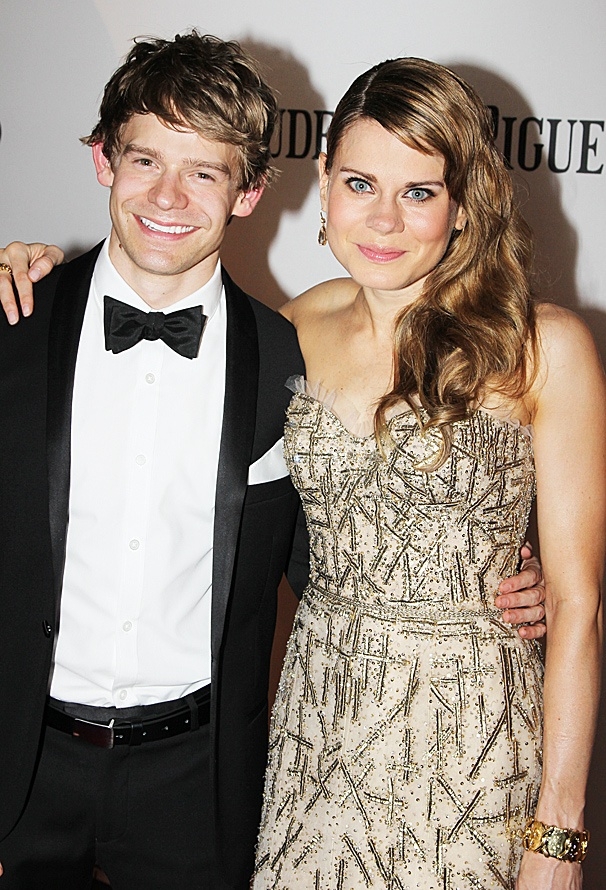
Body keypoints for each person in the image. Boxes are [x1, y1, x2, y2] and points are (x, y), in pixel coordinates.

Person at [0, 40, 547, 890]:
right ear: (103, 158)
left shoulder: (283, 351)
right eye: (145, 159)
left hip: (205, 783)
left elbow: (347, 538)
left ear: (253, 191)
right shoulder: (13, 321)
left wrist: (511, 577)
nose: (169, 198)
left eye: (206, 174)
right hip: (19, 767)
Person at [250, 59, 605, 889]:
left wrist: (559, 834)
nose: (383, 219)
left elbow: (580, 606)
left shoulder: (543, 348)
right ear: (325, 184)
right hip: (316, 732)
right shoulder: (293, 325)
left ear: (461, 204)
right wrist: (39, 270)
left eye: (419, 191)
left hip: (471, 747)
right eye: (360, 182)